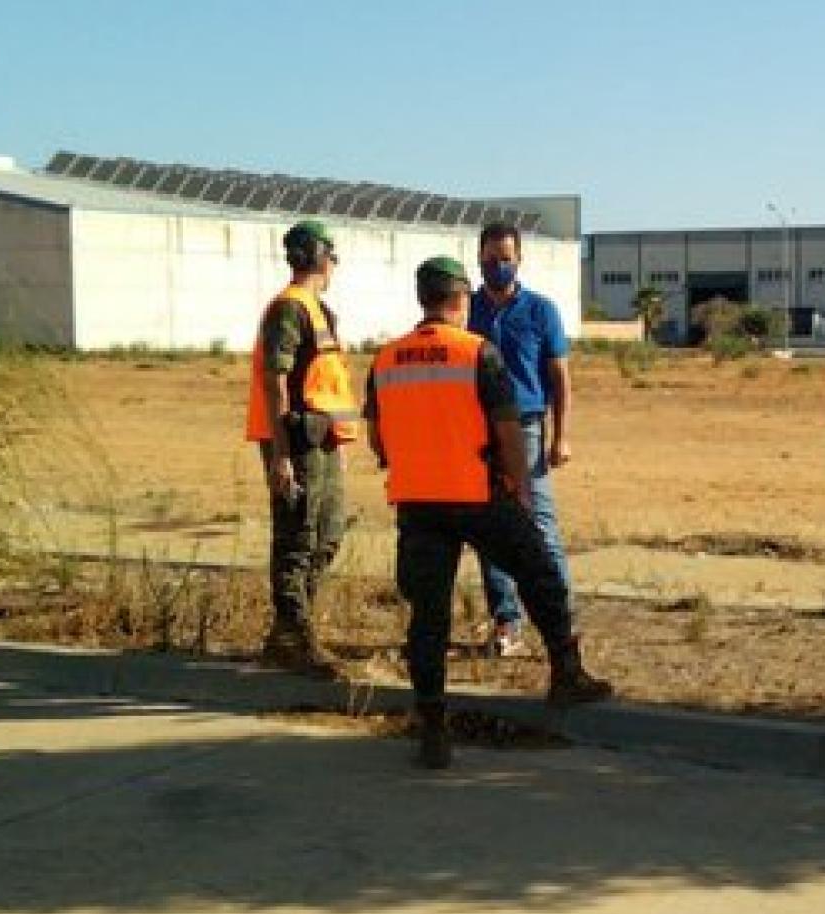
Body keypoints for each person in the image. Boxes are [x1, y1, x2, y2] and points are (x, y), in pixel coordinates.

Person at [365, 256, 613, 769]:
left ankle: (433, 726)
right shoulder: (477, 352)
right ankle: (566, 673)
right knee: (538, 570)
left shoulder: (385, 359)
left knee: (428, 617)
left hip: (416, 502)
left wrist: (407, 461)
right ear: (461, 300)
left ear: (421, 298)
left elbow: (377, 435)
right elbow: (507, 431)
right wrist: (520, 489)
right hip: (476, 495)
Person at [243, 220, 358, 677]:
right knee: (297, 538)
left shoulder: (317, 310)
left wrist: (338, 443)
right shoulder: (290, 309)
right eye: (330, 255)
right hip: (296, 442)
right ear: (318, 256)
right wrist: (281, 454)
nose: (333, 265)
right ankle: (294, 636)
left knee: (326, 534)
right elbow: (275, 383)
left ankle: (290, 632)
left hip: (322, 441)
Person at [466, 223, 575, 656]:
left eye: (506, 258)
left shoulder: (540, 311)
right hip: (478, 428)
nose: (498, 266)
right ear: (479, 259)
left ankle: (560, 618)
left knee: (538, 522)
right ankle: (506, 620)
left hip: (527, 426)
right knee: (491, 527)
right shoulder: (467, 310)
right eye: (491, 259)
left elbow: (561, 378)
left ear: (520, 259)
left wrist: (562, 436)